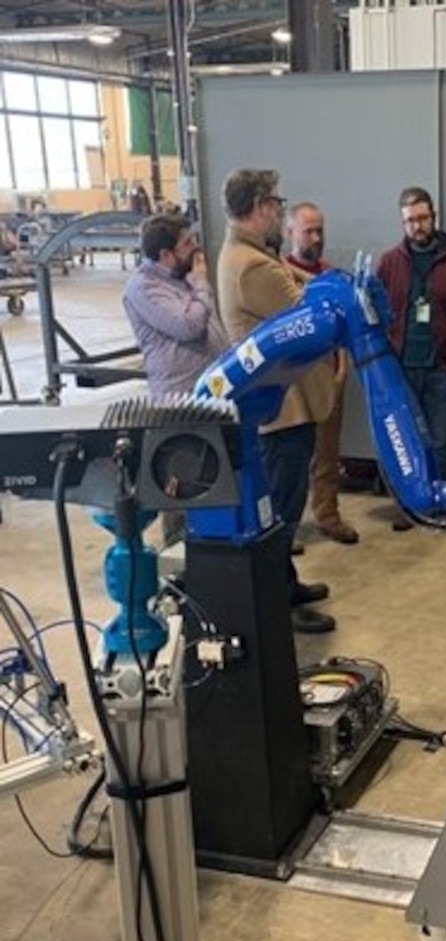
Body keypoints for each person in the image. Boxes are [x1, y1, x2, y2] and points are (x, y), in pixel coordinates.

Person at [216, 168, 337, 635]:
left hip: (280, 401)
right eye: (276, 206)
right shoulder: (253, 266)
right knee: (281, 513)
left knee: (285, 502)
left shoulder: (247, 256)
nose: (279, 214)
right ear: (261, 207)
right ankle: (274, 606)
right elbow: (309, 317)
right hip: (280, 407)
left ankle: (284, 585)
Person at [122, 213, 229, 545]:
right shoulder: (145, 288)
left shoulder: (178, 278)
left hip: (210, 398)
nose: (196, 248)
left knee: (214, 485)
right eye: (187, 243)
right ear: (165, 254)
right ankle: (182, 578)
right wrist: (201, 284)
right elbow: (188, 326)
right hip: (179, 405)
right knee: (183, 488)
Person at [377, 187, 446, 526]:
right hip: (401, 368)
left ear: (433, 217)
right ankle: (409, 505)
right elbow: (376, 311)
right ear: (402, 223)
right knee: (405, 440)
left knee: (439, 439)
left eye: (422, 218)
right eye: (409, 221)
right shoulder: (389, 263)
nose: (417, 226)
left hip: (442, 366)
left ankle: (441, 502)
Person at [284, 201, 359, 545]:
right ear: (290, 233)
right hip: (293, 382)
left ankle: (327, 514)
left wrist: (342, 366)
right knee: (292, 457)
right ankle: (286, 528)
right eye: (308, 231)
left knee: (327, 453)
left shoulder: (331, 276)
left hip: (329, 376)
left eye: (320, 230)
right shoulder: (278, 276)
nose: (316, 237)